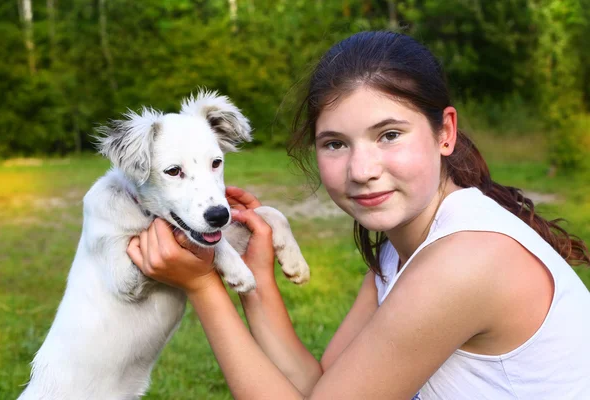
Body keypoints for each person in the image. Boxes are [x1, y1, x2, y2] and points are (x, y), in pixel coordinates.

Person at [127, 31, 590, 399]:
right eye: (335, 143)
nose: (362, 170)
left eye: (389, 134)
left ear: (444, 132)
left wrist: (203, 285)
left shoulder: (463, 262)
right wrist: (258, 280)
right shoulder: (405, 247)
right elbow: (323, 386)